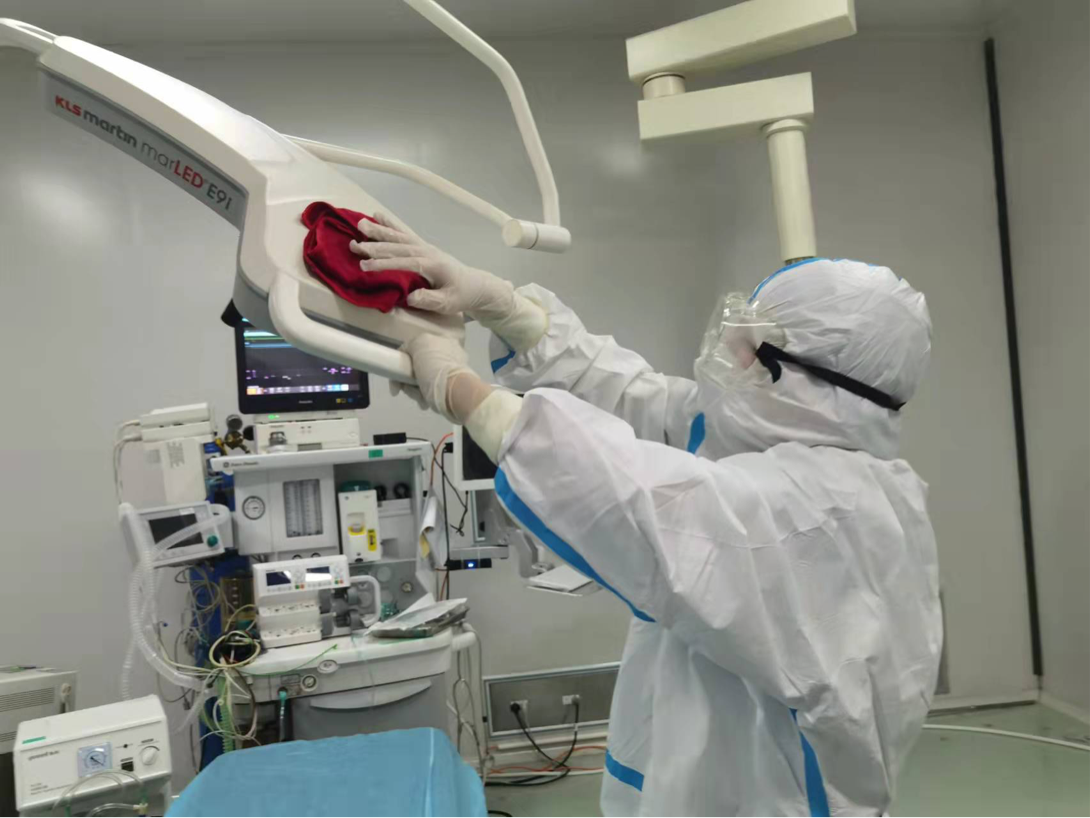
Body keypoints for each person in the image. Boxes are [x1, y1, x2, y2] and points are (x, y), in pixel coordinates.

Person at [352, 216, 943, 818]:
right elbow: (642, 401)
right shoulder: (781, 442)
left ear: (810, 380)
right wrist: (509, 311)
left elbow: (637, 498)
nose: (728, 352)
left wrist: (465, 393)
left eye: (751, 341)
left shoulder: (829, 512)